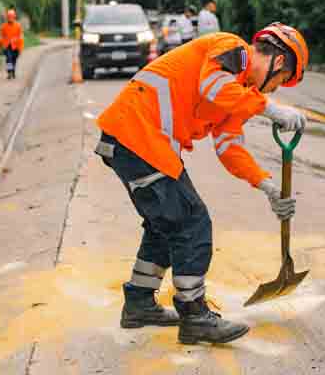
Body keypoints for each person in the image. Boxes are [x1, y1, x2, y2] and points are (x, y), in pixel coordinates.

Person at [94, 22, 308, 345]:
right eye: (278, 84)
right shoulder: (233, 50)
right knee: (191, 221)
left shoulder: (240, 94)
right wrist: (269, 108)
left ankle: (139, 303)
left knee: (164, 224)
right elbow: (213, 88)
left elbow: (229, 148)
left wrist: (267, 187)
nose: (270, 91)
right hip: (136, 133)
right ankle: (194, 315)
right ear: (279, 63)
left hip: (141, 142)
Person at [0, 9, 25, 79]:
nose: (10, 18)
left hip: (16, 46)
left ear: (14, 17)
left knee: (14, 60)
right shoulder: (3, 26)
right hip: (7, 46)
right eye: (9, 17)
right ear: (7, 17)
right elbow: (0, 37)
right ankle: (9, 72)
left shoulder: (18, 26)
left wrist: (20, 48)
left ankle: (13, 71)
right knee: (9, 58)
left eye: (11, 16)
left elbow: (21, 37)